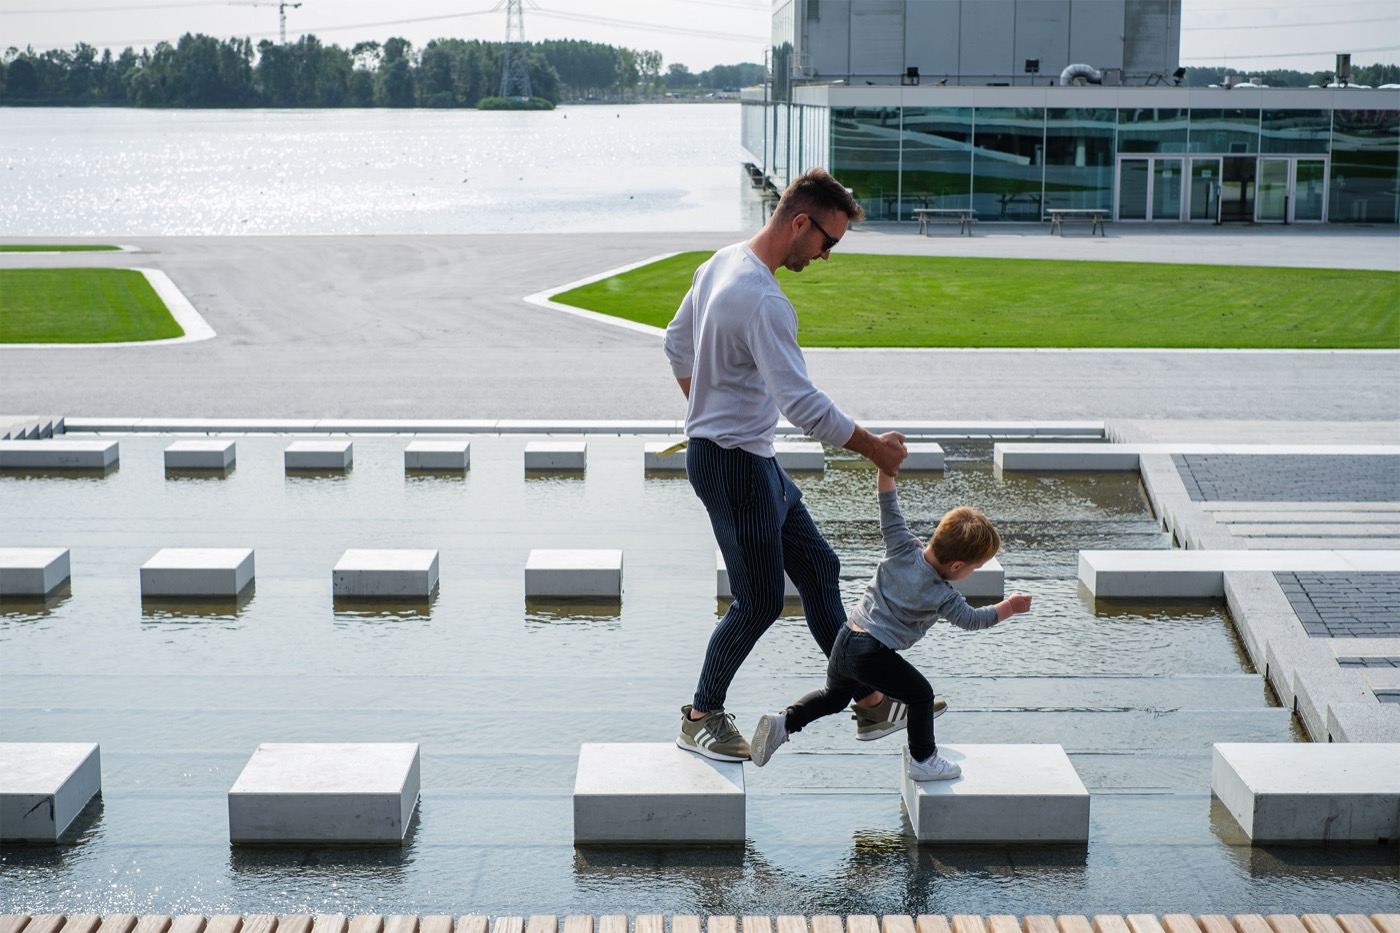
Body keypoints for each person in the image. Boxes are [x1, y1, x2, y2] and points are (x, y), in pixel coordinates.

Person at [663, 166, 909, 763]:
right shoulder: (764, 301)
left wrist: (709, 409)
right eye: (828, 242)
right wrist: (876, 448)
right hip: (735, 466)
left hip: (747, 458)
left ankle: (872, 699)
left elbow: (674, 342)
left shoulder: (721, 261)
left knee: (821, 567)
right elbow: (802, 406)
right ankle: (701, 715)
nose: (826, 256)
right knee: (759, 602)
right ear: (801, 222)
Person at [747, 470, 1033, 781]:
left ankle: (783, 723)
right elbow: (973, 620)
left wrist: (886, 470)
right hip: (873, 652)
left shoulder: (902, 545)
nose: (973, 573)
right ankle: (924, 760)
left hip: (846, 636)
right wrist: (1009, 608)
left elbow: (888, 505)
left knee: (833, 697)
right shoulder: (943, 595)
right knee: (921, 695)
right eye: (975, 568)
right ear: (956, 566)